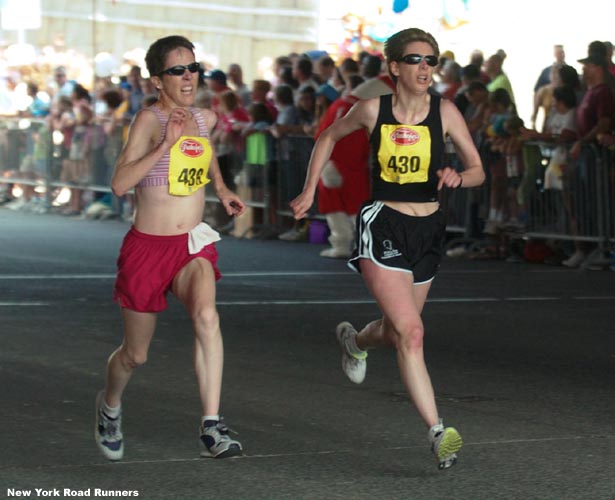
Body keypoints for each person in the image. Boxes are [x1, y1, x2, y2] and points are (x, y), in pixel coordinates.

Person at [291, 27, 484, 470]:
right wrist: (310, 191)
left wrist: (458, 177)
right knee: (412, 333)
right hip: (384, 223)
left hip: (429, 228)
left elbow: (477, 170)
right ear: (394, 67)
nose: (425, 68)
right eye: (415, 60)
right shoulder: (371, 109)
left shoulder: (447, 112)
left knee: (399, 329)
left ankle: (355, 341)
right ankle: (438, 431)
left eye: (431, 60)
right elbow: (326, 137)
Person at [94, 35, 246, 462]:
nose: (188, 76)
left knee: (206, 315)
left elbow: (206, 154)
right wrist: (164, 143)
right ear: (158, 79)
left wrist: (221, 187)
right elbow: (120, 184)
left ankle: (212, 426)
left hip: (190, 244)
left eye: (193, 68)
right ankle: (109, 406)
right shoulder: (146, 120)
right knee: (135, 355)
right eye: (177, 70)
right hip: (147, 248)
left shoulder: (205, 119)